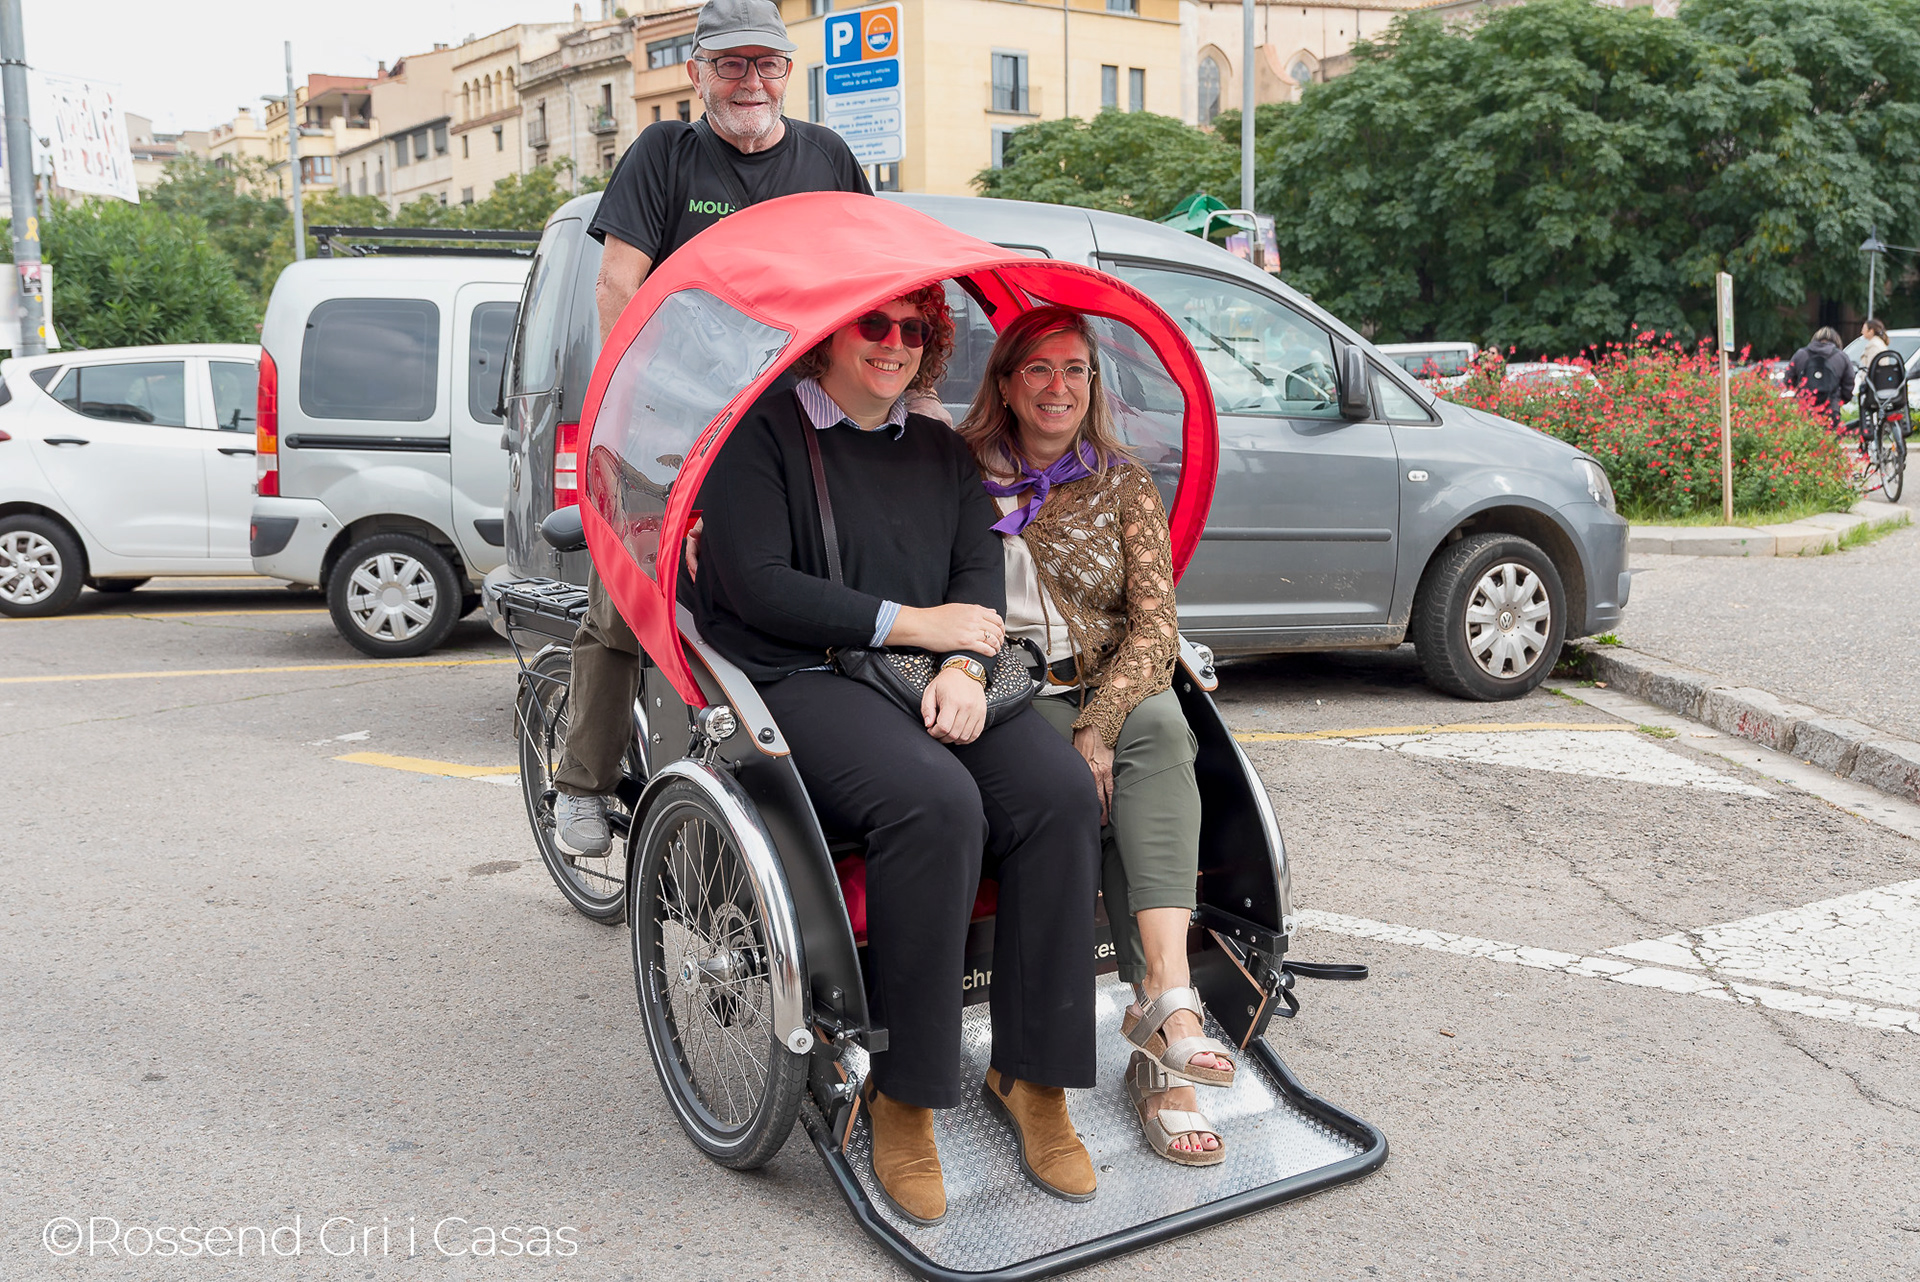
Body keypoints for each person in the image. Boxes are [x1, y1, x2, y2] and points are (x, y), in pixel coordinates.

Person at [690, 289, 1104, 1225]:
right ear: (826, 336)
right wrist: (916, 625)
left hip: (927, 671)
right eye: (873, 325)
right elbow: (758, 584)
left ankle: (1033, 1075)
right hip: (800, 671)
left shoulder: (938, 451)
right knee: (935, 803)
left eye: (914, 330)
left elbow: (975, 569)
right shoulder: (760, 435)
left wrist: (962, 664)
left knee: (1059, 795)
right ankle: (904, 1094)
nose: (895, 344)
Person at [551, 0, 873, 859]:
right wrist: (643, 406)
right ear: (696, 73)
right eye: (731, 64)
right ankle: (581, 785)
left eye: (767, 64)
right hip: (671, 426)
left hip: (793, 424)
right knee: (627, 604)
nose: (750, 82)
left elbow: (871, 278)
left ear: (788, 72)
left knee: (815, 589)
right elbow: (618, 286)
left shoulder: (827, 158)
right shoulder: (665, 153)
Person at [958, 307, 1240, 1168]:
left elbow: (1156, 628)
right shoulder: (957, 471)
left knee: (1162, 725)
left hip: (1109, 682)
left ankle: (1168, 1005)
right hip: (1007, 689)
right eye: (1039, 369)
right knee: (1097, 796)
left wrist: (1100, 723)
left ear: (1093, 385)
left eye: (1075, 370)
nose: (1059, 387)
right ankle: (1167, 1054)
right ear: (1007, 382)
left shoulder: (1122, 483)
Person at [1785, 325, 1856, 430]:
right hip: (1830, 408)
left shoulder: (1801, 354)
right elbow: (1849, 385)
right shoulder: (1841, 357)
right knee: (1828, 438)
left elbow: (1788, 380)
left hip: (1804, 408)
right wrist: (1839, 400)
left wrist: (1799, 392)